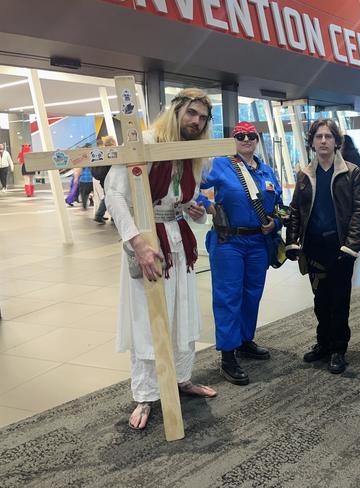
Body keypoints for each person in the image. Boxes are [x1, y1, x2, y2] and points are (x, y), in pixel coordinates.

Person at [104, 88, 217, 430]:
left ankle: (180, 379)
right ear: (177, 111)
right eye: (191, 113)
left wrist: (194, 210)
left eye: (202, 117)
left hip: (178, 241)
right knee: (148, 318)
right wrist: (137, 242)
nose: (196, 121)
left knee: (181, 310)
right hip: (149, 243)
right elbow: (115, 194)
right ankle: (146, 394)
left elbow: (184, 202)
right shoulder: (147, 142)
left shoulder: (194, 152)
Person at [199, 121, 283, 386]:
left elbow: (279, 205)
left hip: (258, 242)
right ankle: (227, 354)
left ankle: (246, 341)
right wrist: (206, 205)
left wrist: (276, 222)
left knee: (252, 293)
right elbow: (188, 184)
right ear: (232, 140)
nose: (246, 139)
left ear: (257, 139)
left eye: (251, 135)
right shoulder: (220, 165)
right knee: (228, 296)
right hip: (229, 243)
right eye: (240, 136)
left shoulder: (267, 171)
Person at [285, 119, 360, 374]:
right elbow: (296, 210)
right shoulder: (304, 174)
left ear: (336, 141)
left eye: (328, 136)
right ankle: (323, 343)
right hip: (314, 248)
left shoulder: (352, 173)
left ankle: (338, 349)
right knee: (320, 300)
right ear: (312, 141)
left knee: (339, 301)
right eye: (318, 136)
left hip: (340, 248)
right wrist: (292, 240)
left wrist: (351, 247)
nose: (323, 141)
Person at [92, 135, 116, 224]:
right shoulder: (111, 152)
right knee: (110, 197)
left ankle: (111, 216)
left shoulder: (101, 152)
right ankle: (99, 215)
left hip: (103, 179)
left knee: (110, 196)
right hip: (109, 179)